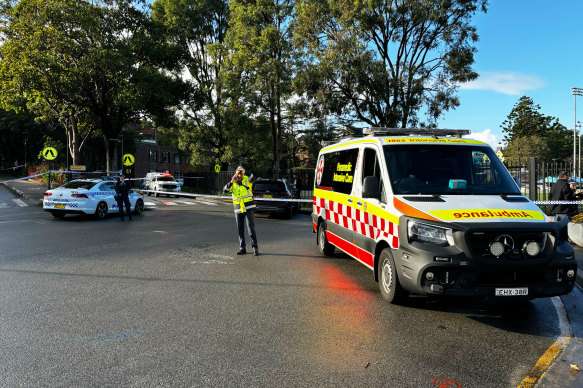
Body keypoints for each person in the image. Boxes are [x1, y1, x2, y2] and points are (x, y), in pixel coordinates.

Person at [223, 166, 259, 256]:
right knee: (240, 230)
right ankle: (242, 248)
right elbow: (225, 190)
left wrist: (244, 170)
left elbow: (253, 177)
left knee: (251, 229)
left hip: (248, 208)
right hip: (238, 209)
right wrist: (232, 181)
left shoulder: (247, 179)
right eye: (237, 172)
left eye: (240, 172)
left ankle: (255, 248)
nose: (239, 174)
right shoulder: (233, 182)